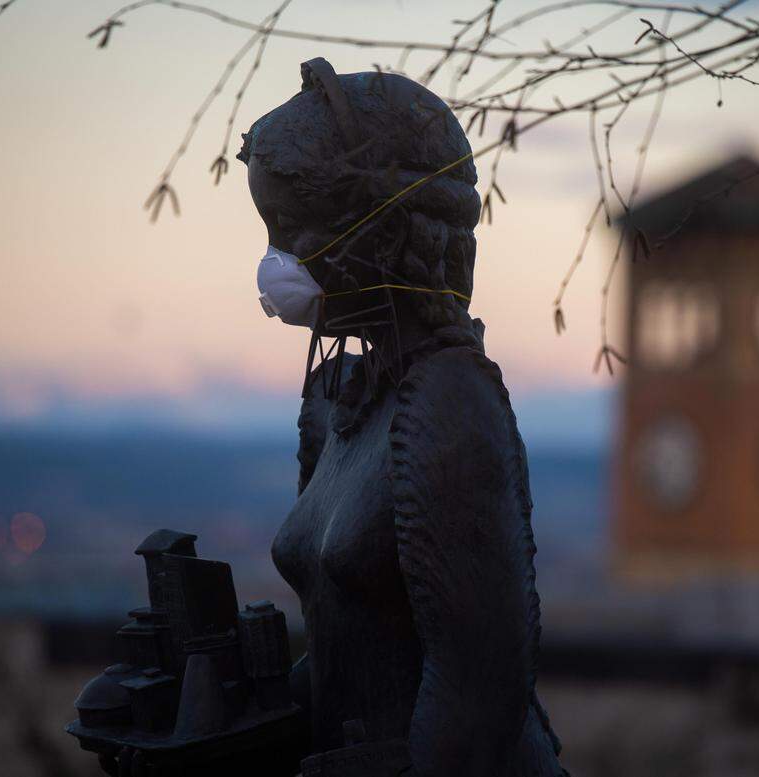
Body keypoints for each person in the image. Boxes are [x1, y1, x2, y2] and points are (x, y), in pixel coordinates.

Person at [239, 57, 566, 777]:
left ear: (379, 234)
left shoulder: (450, 407)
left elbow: (476, 702)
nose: (274, 260)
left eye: (294, 230)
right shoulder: (336, 403)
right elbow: (344, 656)